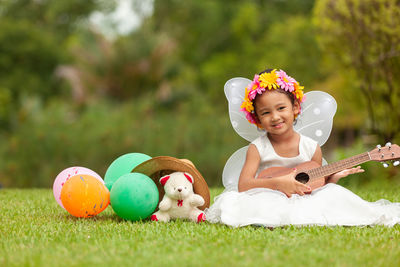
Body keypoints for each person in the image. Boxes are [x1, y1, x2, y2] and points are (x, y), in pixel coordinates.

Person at [205, 68, 400, 227]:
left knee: (335, 196)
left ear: (295, 108)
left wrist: (333, 177)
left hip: (304, 199)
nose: (275, 117)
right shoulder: (258, 148)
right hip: (269, 196)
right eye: (266, 112)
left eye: (281, 108)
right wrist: (280, 183)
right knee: (243, 206)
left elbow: (313, 181)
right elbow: (244, 185)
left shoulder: (310, 147)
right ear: (257, 119)